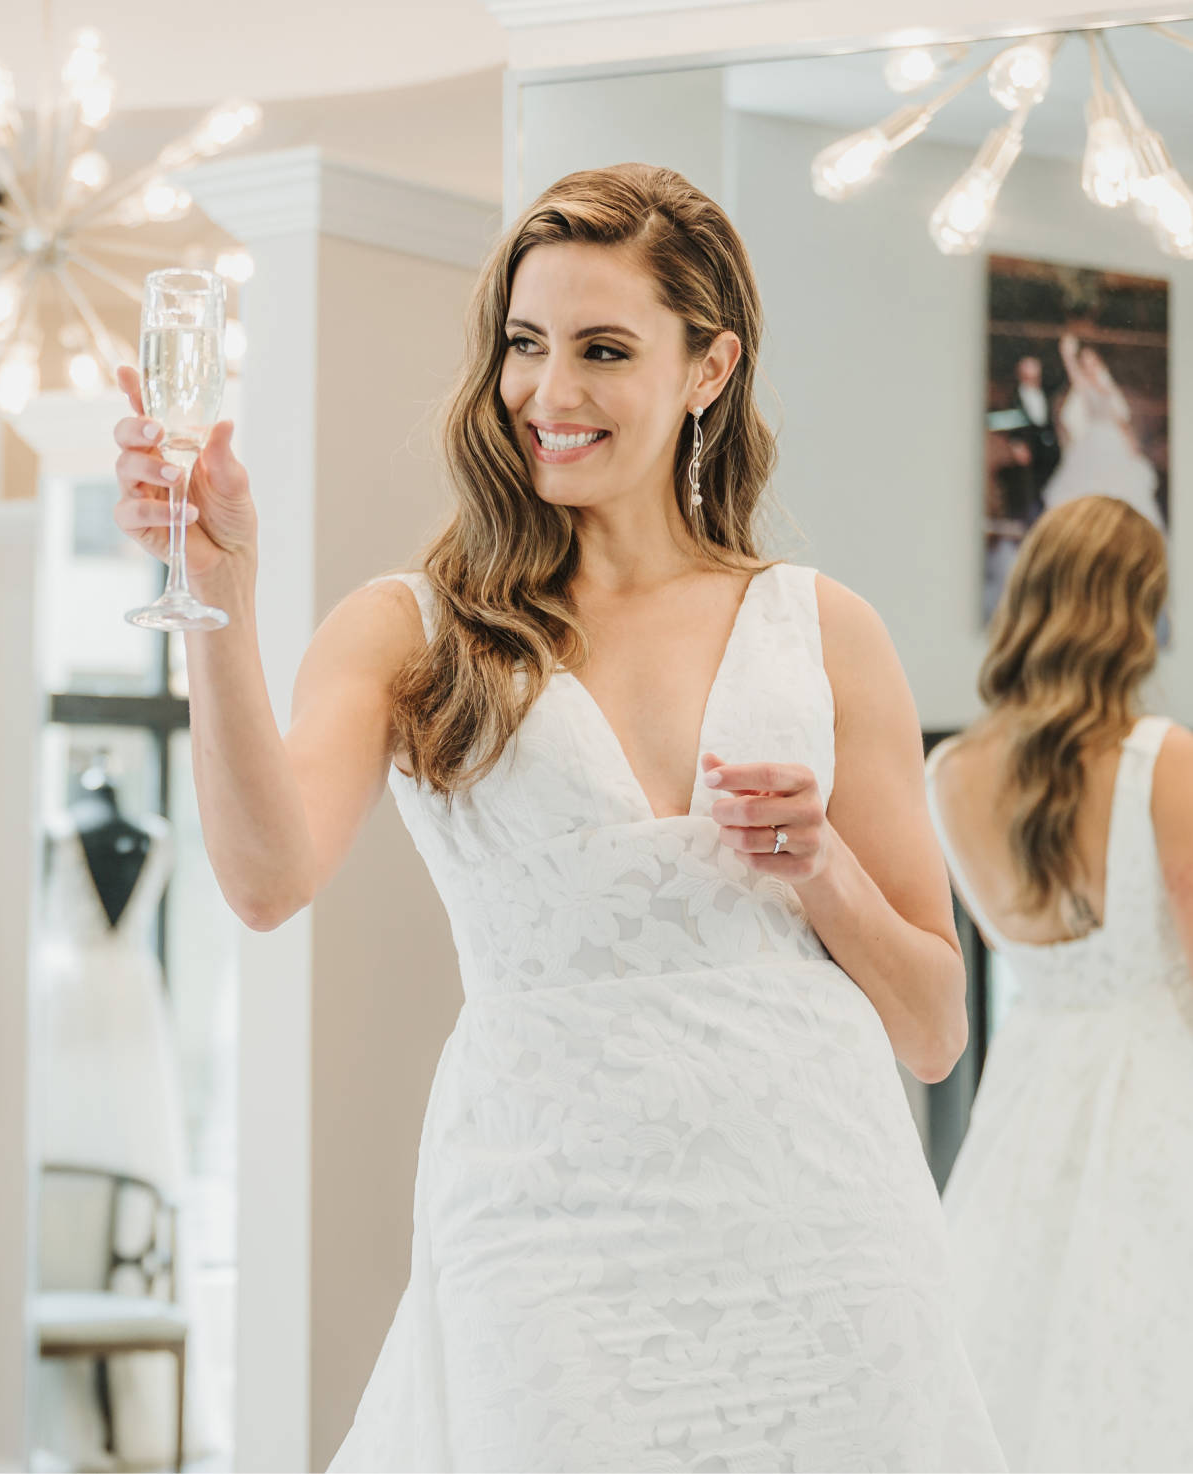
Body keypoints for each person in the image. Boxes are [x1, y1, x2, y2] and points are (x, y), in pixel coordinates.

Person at [110, 162, 1004, 1471]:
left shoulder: (824, 631)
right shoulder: (412, 629)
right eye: (525, 346)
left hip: (825, 1226)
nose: (550, 393)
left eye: (603, 349)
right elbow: (264, 876)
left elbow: (934, 1029)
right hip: (546, 1229)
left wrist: (824, 871)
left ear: (710, 366)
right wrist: (222, 603)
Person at [925, 495, 1193, 1472]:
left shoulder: (950, 772)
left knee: (1018, 1357)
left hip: (1028, 1100)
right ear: (1136, 612)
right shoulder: (1165, 764)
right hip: (1159, 1092)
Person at [1039, 333, 1165, 530]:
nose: (1089, 366)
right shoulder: (1083, 385)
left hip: (1113, 444)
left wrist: (1132, 448)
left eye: (1092, 362)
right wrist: (1068, 356)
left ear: (1098, 362)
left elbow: (1121, 422)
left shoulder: (1107, 386)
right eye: (1085, 363)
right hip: (1092, 443)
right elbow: (1076, 379)